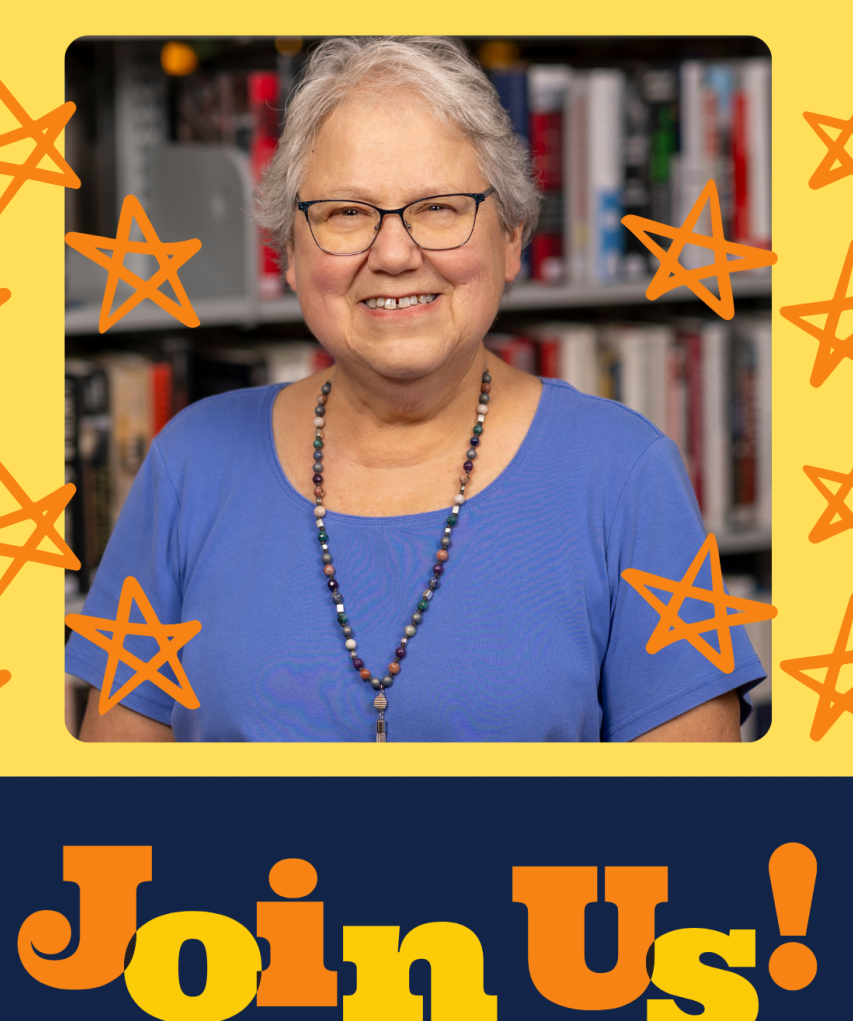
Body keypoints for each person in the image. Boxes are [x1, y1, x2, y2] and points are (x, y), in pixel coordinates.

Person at [70, 36, 764, 742]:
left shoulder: (623, 473)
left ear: (512, 237)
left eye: (438, 207)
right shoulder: (192, 461)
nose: (396, 254)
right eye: (345, 212)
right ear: (288, 251)